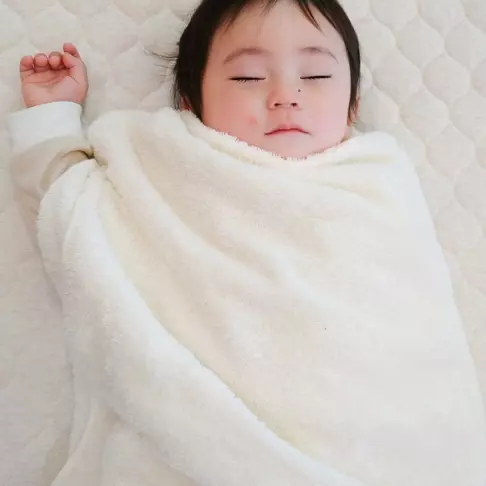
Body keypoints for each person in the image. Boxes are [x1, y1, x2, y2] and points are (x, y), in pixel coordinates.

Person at [8, 1, 486, 485]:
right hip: (193, 447)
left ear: (353, 106)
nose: (285, 96)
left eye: (316, 76)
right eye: (248, 77)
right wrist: (52, 115)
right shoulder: (168, 169)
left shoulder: (377, 185)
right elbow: (69, 220)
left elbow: (417, 339)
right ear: (190, 103)